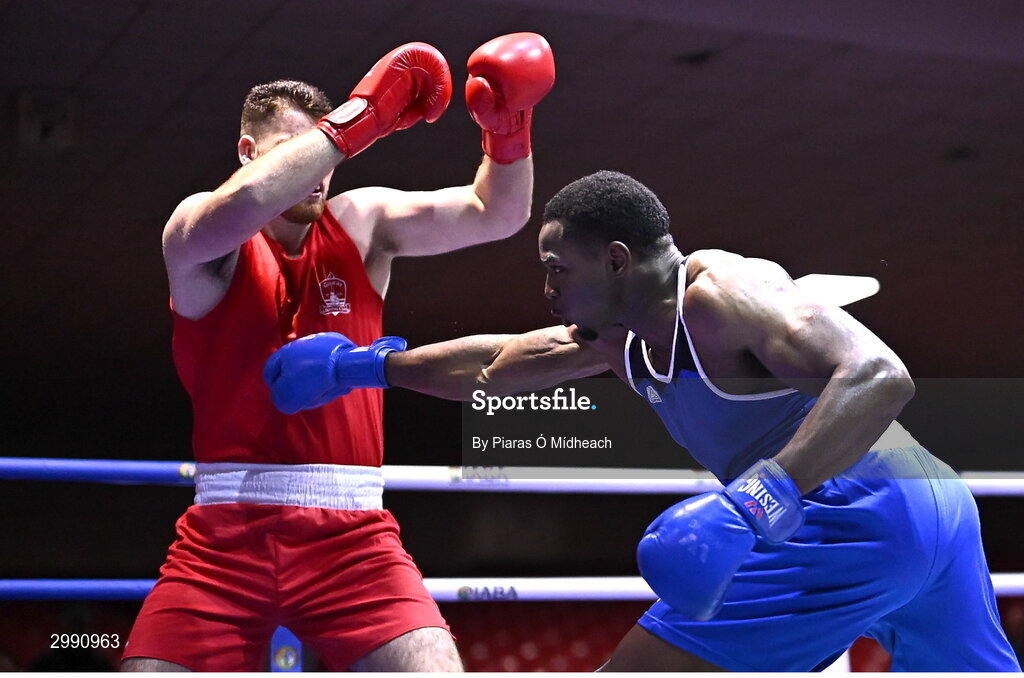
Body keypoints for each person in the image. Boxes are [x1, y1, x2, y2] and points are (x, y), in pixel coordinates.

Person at [264, 170, 1021, 671]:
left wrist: (761, 498)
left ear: (617, 261)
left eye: (558, 269)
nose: (547, 288)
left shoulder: (723, 295)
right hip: (935, 510)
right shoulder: (617, 340)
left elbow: (881, 375)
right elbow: (492, 367)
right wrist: (362, 367)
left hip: (855, 516)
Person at [122, 34, 555, 672]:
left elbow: (497, 212)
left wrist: (508, 128)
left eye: (327, 154)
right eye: (299, 151)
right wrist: (361, 119)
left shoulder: (362, 222)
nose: (320, 169)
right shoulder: (201, 235)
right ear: (249, 153)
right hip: (222, 539)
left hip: (353, 536)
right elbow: (238, 206)